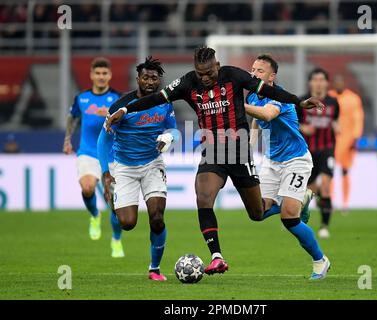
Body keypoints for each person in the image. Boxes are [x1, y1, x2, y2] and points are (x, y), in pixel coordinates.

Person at [105, 46, 324, 275]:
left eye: (209, 72)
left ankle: (299, 200)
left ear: (217, 66)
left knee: (257, 213)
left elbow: (271, 93)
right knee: (203, 196)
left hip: (238, 149)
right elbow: (154, 99)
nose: (205, 77)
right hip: (212, 150)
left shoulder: (234, 75)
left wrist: (299, 102)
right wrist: (124, 109)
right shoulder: (188, 83)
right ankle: (217, 256)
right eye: (200, 74)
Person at [245, 54, 330, 279]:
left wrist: (237, 105)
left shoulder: (279, 97)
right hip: (272, 162)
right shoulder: (253, 95)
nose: (253, 74)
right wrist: (251, 143)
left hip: (296, 160)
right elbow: (256, 119)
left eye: (259, 71)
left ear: (272, 77)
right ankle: (299, 199)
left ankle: (320, 261)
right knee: (257, 213)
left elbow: (266, 114)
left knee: (289, 218)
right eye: (252, 70)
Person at [98, 57, 178, 281]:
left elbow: (175, 131)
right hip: (124, 168)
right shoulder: (120, 107)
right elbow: (102, 141)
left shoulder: (165, 103)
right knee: (128, 223)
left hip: (153, 164)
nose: (150, 81)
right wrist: (106, 172)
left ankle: (154, 269)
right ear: (138, 79)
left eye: (154, 78)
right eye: (146, 77)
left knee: (157, 217)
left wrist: (169, 137)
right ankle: (115, 199)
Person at [63, 57, 124, 257]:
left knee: (115, 205)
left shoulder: (117, 99)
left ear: (110, 76)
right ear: (91, 75)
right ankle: (95, 215)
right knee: (88, 187)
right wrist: (67, 139)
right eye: (97, 73)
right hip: (88, 152)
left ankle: (116, 239)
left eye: (104, 73)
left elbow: (127, 122)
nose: (100, 76)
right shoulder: (81, 98)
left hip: (112, 155)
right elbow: (72, 117)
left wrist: (109, 114)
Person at [297, 68, 340, 239]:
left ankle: (324, 226)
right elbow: (293, 123)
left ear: (326, 83)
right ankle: (297, 217)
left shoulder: (333, 102)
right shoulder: (301, 101)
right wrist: (303, 128)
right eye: (315, 79)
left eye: (322, 79)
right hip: (307, 151)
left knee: (326, 186)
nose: (318, 82)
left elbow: (335, 120)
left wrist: (337, 126)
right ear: (310, 82)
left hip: (327, 148)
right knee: (310, 190)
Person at [329, 75, 364, 214]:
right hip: (331, 140)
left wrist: (355, 138)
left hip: (347, 140)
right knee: (329, 171)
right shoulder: (329, 97)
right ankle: (329, 201)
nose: (338, 84)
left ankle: (345, 203)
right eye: (336, 82)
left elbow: (358, 119)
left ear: (344, 83)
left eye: (340, 82)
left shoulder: (353, 99)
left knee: (344, 171)